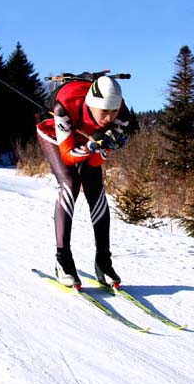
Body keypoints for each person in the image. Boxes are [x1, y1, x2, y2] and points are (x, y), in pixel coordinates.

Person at [36, 75, 129, 288]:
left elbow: (95, 163)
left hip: (88, 138)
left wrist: (105, 147)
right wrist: (90, 146)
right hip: (55, 134)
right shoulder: (65, 106)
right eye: (104, 112)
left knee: (95, 188)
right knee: (70, 183)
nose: (108, 118)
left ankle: (103, 261)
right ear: (92, 104)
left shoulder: (121, 113)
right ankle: (63, 260)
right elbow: (68, 155)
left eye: (113, 112)